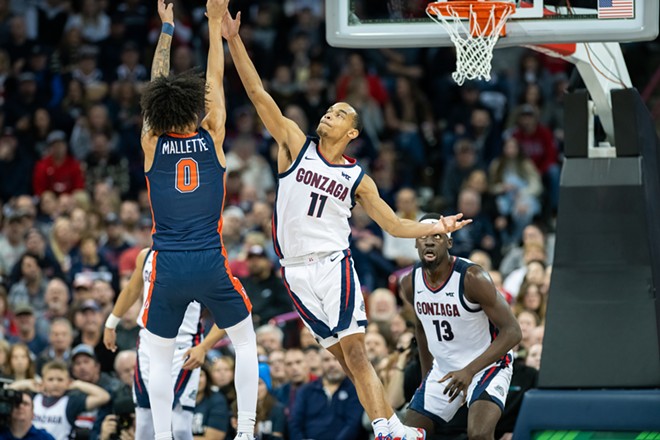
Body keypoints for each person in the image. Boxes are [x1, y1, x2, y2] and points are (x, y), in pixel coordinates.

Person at [222, 10, 471, 440]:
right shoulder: (295, 145)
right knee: (346, 360)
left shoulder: (357, 178)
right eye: (330, 109)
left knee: (355, 352)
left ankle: (385, 429)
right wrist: (233, 40)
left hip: (332, 265)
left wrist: (434, 225)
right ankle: (394, 426)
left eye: (339, 113)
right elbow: (257, 92)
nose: (329, 114)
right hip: (294, 272)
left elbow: (393, 225)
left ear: (353, 132)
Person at [127, 0, 258, 438]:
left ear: (159, 112)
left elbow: (156, 82)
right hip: (208, 261)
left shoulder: (151, 141)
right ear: (193, 110)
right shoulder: (214, 134)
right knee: (244, 341)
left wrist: (166, 28)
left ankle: (161, 434)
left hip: (166, 264)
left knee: (158, 356)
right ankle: (247, 431)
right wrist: (214, 27)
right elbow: (215, 81)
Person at [400, 213, 522, 439]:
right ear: (415, 242)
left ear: (449, 242)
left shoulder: (472, 277)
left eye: (437, 236)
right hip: (445, 369)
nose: (429, 241)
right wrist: (427, 376)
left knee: (478, 435)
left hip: (488, 365)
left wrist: (469, 371)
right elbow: (421, 328)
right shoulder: (409, 282)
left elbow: (513, 332)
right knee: (408, 435)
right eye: (424, 236)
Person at [103, 247, 228, 440]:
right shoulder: (146, 256)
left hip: (184, 345)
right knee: (144, 422)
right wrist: (111, 323)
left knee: (179, 426)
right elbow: (131, 290)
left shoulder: (202, 261)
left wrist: (204, 347)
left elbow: (229, 311)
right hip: (148, 344)